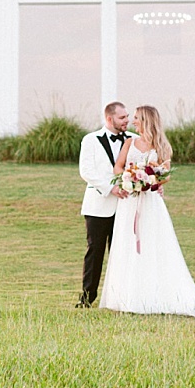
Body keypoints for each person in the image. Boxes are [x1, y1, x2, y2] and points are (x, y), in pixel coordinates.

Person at [98, 105, 195, 319]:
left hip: (150, 203)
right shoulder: (129, 142)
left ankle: (151, 294)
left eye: (137, 118)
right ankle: (125, 296)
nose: (133, 122)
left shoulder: (161, 146)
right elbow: (118, 167)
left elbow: (165, 175)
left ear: (147, 120)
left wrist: (148, 181)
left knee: (151, 245)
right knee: (127, 244)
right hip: (129, 202)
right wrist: (130, 177)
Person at [77, 101, 131, 308]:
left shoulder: (134, 140)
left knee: (122, 253)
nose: (127, 120)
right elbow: (87, 171)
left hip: (126, 205)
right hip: (98, 205)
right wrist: (111, 188)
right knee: (95, 251)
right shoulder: (90, 140)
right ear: (109, 118)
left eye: (127, 116)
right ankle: (87, 298)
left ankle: (121, 299)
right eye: (122, 117)